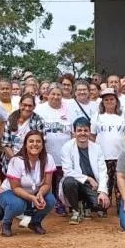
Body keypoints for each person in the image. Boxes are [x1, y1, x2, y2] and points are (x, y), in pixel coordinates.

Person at [0, 131, 56, 236]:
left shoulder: (48, 159)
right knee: (18, 204)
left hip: (33, 193)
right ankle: (6, 223)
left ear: (42, 145)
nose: (35, 144)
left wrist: (40, 194)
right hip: (10, 192)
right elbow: (15, 188)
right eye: (31, 141)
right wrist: (32, 198)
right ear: (25, 145)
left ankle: (35, 222)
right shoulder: (16, 160)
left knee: (50, 200)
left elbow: (47, 184)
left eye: (38, 141)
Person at [60, 118, 111, 222]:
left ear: (89, 131)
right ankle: (76, 210)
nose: (82, 133)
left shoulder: (97, 148)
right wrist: (88, 178)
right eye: (79, 130)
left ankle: (86, 205)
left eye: (85, 130)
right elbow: (67, 171)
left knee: (102, 205)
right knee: (68, 181)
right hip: (76, 183)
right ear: (74, 132)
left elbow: (102, 171)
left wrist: (103, 192)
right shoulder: (67, 147)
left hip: (92, 186)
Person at [36, 85, 73, 213]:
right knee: (46, 179)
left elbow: (73, 131)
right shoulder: (40, 109)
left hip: (64, 151)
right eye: (53, 94)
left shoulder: (69, 109)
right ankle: (41, 204)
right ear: (47, 95)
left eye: (59, 94)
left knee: (61, 179)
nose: (56, 97)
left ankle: (60, 204)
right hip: (46, 151)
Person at [92, 88, 125, 212]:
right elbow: (92, 135)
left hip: (120, 156)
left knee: (120, 183)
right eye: (106, 99)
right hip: (102, 155)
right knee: (105, 182)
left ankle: (121, 208)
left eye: (112, 99)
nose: (109, 101)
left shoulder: (123, 114)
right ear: (102, 102)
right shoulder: (97, 116)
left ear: (116, 101)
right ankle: (103, 208)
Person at [2, 93, 44, 169]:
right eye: (24, 105)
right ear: (20, 105)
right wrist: (15, 161)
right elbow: (6, 144)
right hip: (12, 160)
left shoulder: (38, 120)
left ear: (34, 107)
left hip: (31, 161)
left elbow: (40, 143)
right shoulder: (11, 118)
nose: (27, 108)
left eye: (30, 106)